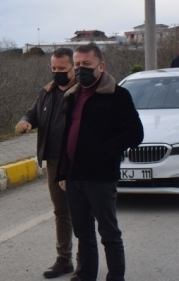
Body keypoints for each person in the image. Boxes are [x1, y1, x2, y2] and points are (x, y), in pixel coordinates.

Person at [56, 44, 144, 281]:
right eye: (78, 65)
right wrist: (63, 173)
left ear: (101, 66)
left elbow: (135, 133)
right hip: (74, 176)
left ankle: (116, 276)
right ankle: (84, 274)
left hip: (101, 176)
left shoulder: (117, 95)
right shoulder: (72, 95)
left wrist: (105, 151)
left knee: (108, 233)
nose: (81, 69)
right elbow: (67, 136)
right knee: (83, 233)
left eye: (87, 64)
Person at [15, 48, 78, 279]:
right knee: (62, 212)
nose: (57, 73)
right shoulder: (47, 92)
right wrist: (25, 122)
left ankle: (86, 260)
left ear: (74, 68)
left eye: (62, 69)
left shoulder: (82, 93)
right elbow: (33, 113)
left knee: (81, 211)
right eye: (54, 69)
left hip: (76, 161)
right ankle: (64, 260)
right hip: (53, 162)